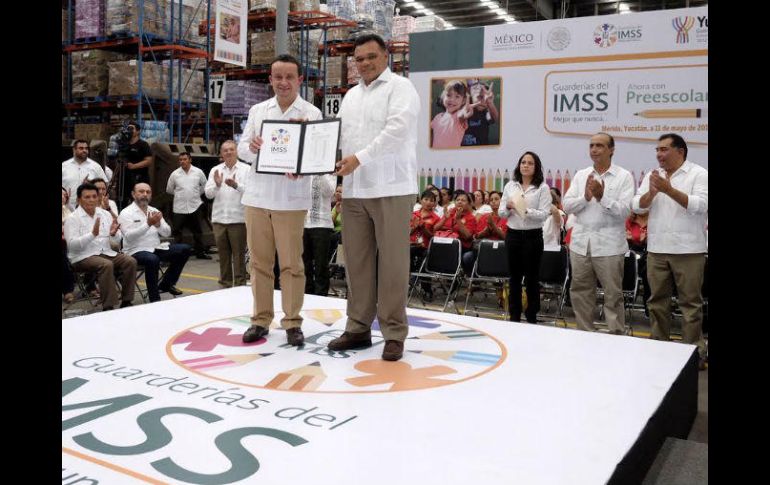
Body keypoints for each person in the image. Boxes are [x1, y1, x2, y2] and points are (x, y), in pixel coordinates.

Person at [329, 34, 421, 361]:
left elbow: (396, 131)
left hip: (391, 187)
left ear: (386, 56)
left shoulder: (401, 88)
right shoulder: (351, 96)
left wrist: (360, 158)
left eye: (371, 56)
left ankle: (394, 332)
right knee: (357, 262)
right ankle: (358, 327)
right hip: (354, 189)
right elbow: (339, 139)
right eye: (359, 59)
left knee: (393, 264)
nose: (364, 63)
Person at [237, 54, 322, 347]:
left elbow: (316, 156)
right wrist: (253, 146)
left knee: (291, 265)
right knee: (259, 263)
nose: (283, 83)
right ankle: (261, 319)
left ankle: (292, 321)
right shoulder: (258, 111)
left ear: (300, 79)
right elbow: (242, 150)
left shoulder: (311, 114)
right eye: (278, 77)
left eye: (289, 77)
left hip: (290, 199)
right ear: (270, 80)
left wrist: (302, 168)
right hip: (258, 197)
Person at [632, 133, 708, 369]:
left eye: (664, 150)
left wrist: (668, 190)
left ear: (680, 151)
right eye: (657, 150)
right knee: (657, 301)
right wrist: (652, 192)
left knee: (690, 304)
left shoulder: (699, 173)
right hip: (657, 248)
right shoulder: (655, 176)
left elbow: (700, 206)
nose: (659, 154)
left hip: (689, 250)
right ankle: (659, 347)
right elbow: (636, 205)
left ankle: (693, 353)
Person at [563, 133, 635, 334]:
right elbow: (567, 205)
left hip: (610, 244)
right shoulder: (581, 175)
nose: (594, 149)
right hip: (580, 243)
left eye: (600, 146)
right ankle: (585, 334)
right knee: (580, 292)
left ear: (612, 150)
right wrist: (586, 197)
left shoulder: (623, 176)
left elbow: (625, 211)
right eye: (592, 145)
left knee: (613, 295)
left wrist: (602, 197)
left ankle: (615, 336)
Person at [63, 183, 137, 311]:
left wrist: (113, 234)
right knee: (106, 264)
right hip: (82, 256)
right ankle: (108, 306)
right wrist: (92, 235)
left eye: (94, 196)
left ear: (98, 198)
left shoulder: (105, 214)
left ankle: (126, 301)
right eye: (87, 197)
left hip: (105, 252)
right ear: (79, 199)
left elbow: (116, 239)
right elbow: (72, 246)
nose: (91, 200)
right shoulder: (72, 218)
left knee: (130, 261)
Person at [499, 152, 552, 323]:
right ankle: (514, 315)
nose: (526, 165)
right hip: (513, 235)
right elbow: (501, 213)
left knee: (532, 277)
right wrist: (508, 207)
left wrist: (524, 209)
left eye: (530, 163)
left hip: (532, 237)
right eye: (523, 162)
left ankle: (531, 315)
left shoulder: (542, 188)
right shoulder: (510, 186)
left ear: (536, 167)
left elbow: (544, 214)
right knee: (514, 277)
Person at [119, 182, 191, 302]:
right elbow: (129, 237)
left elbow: (167, 233)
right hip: (135, 250)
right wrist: (148, 224)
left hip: (155, 248)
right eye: (141, 192)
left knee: (185, 249)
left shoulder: (154, 210)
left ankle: (166, 284)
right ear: (133, 194)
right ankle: (154, 298)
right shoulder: (126, 213)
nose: (145, 195)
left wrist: (158, 225)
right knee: (152, 259)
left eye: (148, 192)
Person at [205, 140, 250, 288]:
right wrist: (217, 185)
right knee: (223, 257)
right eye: (225, 150)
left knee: (238, 256)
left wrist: (236, 185)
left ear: (236, 151)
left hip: (238, 220)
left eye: (231, 149)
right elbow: (208, 194)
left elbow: (252, 193)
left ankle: (239, 285)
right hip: (219, 220)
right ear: (221, 154)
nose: (228, 152)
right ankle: (224, 285)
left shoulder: (246, 170)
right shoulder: (215, 170)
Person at [166, 152, 211, 260]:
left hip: (195, 205)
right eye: (180, 160)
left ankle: (200, 253)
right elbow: (169, 189)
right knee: (177, 231)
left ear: (190, 160)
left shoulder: (198, 172)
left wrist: (196, 193)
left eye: (185, 159)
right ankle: (178, 254)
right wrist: (181, 195)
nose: (182, 161)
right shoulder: (175, 174)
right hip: (179, 207)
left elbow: (205, 185)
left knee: (197, 231)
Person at [303, 174, 337, 296]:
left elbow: (329, 192)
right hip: (303, 223)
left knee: (321, 264)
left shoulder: (329, 173)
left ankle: (321, 295)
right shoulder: (305, 171)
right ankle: (306, 293)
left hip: (322, 224)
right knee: (304, 263)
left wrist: (320, 172)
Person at [434, 190, 477, 275]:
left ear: (468, 203)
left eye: (463, 200)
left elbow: (468, 236)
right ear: (454, 202)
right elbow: (435, 229)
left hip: (462, 247)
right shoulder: (449, 213)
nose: (460, 202)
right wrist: (445, 219)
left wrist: (457, 220)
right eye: (458, 200)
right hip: (445, 245)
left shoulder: (470, 218)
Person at [62, 139, 108, 211]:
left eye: (86, 148)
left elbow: (105, 184)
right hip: (66, 207)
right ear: (74, 150)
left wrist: (91, 185)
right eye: (81, 148)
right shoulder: (64, 166)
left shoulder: (95, 166)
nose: (84, 150)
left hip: (89, 207)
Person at [430, 79, 474, 149]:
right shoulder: (437, 117)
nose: (452, 100)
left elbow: (461, 115)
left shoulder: (458, 116)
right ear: (443, 96)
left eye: (457, 96)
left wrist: (465, 111)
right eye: (448, 95)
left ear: (463, 101)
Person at [625, 211, 651, 314]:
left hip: (647, 254)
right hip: (632, 253)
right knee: (627, 263)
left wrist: (645, 241)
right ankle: (626, 297)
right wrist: (629, 239)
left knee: (648, 270)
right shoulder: (629, 221)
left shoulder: (654, 221)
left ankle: (648, 305)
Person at [461, 78, 499, 147]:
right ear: (471, 95)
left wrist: (490, 104)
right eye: (480, 97)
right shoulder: (464, 107)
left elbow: (494, 119)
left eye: (486, 98)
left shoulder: (486, 111)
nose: (484, 101)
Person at [62, 187, 75, 303]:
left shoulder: (68, 210)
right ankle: (67, 290)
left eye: (64, 195)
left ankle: (90, 286)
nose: (62, 197)